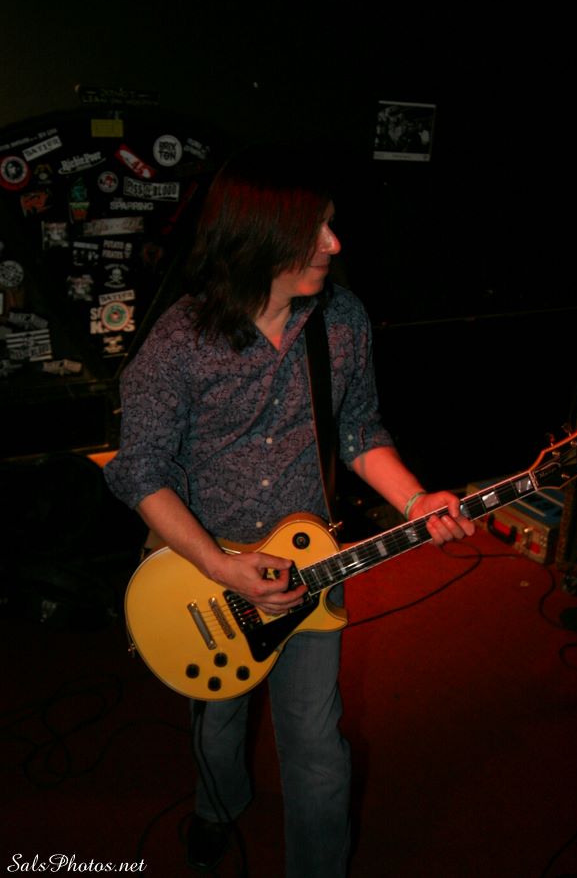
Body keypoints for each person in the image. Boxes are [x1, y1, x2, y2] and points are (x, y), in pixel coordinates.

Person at [104, 144, 474, 876]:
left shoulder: (341, 320)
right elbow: (138, 471)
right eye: (316, 229)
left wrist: (415, 498)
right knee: (219, 719)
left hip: (310, 570)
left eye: (332, 224)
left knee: (317, 743)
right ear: (258, 237)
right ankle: (218, 807)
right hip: (203, 569)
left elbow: (359, 431)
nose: (334, 244)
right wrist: (222, 566)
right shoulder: (180, 342)